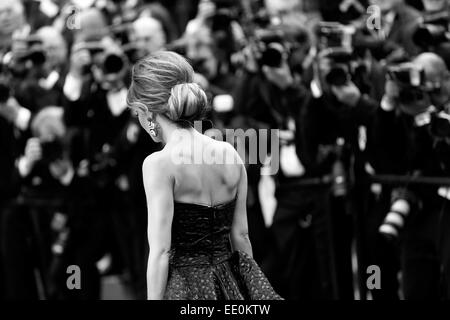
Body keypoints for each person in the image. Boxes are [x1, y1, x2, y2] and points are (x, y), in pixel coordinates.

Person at [126, 51, 282, 300]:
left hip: (184, 290)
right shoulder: (228, 152)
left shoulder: (158, 164)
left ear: (148, 112)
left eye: (137, 114)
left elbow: (161, 251)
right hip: (229, 284)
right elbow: (241, 236)